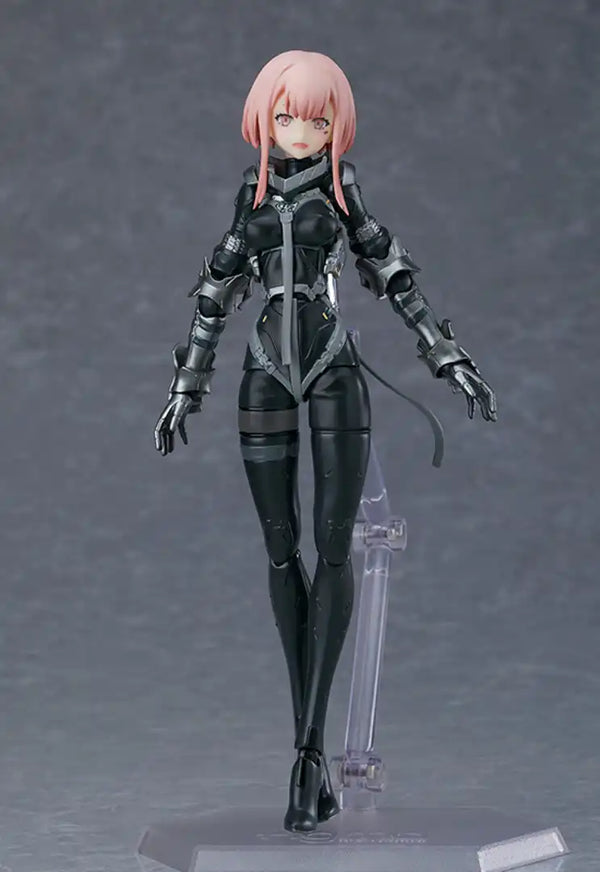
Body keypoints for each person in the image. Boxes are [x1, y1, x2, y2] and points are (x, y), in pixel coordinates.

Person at [154, 50, 497, 833]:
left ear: (336, 122)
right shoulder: (249, 194)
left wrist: (450, 359)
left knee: (336, 550)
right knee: (283, 553)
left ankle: (308, 757)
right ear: (263, 119)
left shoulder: (343, 194)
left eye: (317, 117)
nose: (302, 130)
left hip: (335, 368)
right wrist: (184, 389)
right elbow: (214, 295)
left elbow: (395, 277)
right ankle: (307, 753)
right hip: (265, 372)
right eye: (286, 116)